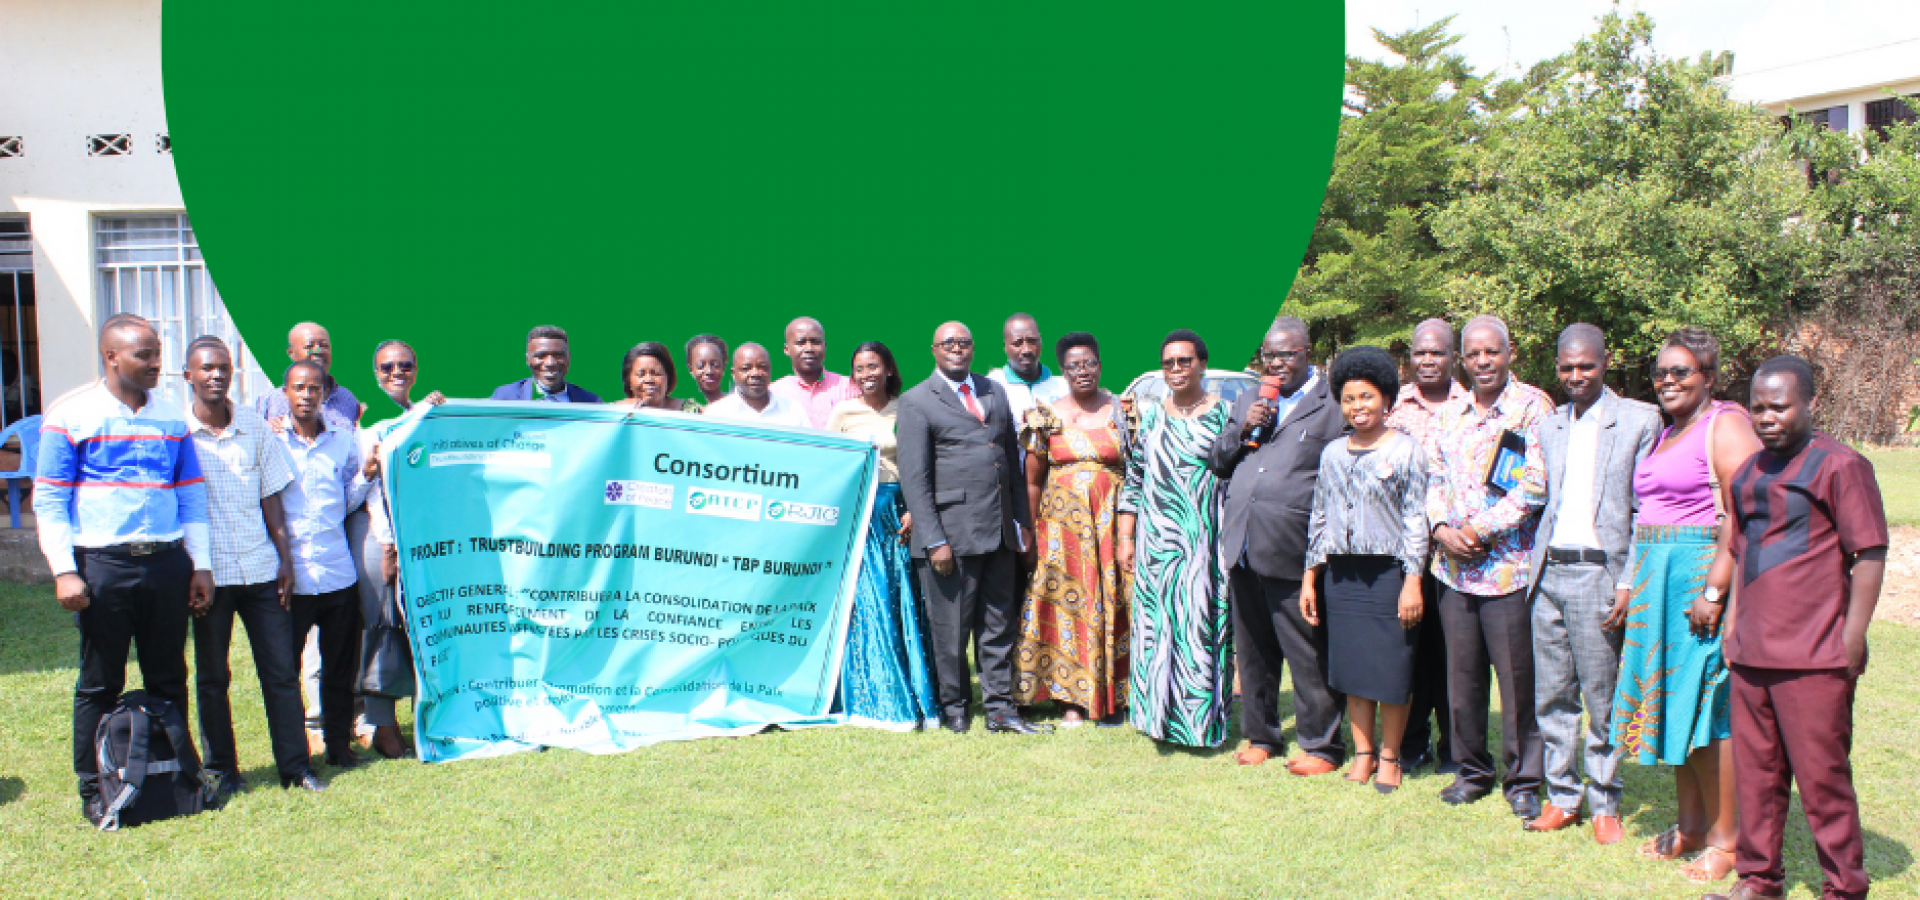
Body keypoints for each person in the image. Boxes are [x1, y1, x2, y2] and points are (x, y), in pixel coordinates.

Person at [1705, 356, 1887, 900]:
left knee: (1822, 782)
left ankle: (1844, 888)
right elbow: (1738, 551)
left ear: (1811, 404)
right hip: (1753, 654)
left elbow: (1870, 554)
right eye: (1758, 407)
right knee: (1758, 781)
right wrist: (1734, 627)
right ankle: (1759, 882)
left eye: (1779, 407)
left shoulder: (1841, 466)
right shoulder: (1747, 472)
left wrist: (1851, 639)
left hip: (1815, 656)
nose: (1767, 417)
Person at [34, 314, 215, 824]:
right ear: (111, 356)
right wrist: (64, 570)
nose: (157, 363)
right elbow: (49, 499)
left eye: (158, 353)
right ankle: (95, 786)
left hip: (165, 564)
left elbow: (191, 496)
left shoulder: (172, 418)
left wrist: (199, 566)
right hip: (102, 566)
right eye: (145, 354)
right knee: (100, 681)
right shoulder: (71, 414)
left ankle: (179, 775)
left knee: (169, 675)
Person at [1614, 327, 1761, 883]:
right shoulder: (1668, 431)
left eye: (1681, 372)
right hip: (1657, 580)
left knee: (1708, 713)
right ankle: (1693, 827)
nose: (1667, 380)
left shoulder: (1724, 425)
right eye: (1661, 372)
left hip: (1699, 579)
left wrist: (1715, 589)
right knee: (1674, 708)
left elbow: (1743, 514)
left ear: (1708, 376)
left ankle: (1728, 842)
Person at [1522, 324, 1661, 843]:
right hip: (1549, 574)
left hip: (1600, 574)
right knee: (1552, 697)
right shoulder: (1551, 425)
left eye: (1586, 366)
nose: (1575, 376)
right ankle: (1563, 798)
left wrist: (1629, 582)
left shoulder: (1638, 421)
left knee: (1602, 697)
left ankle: (1605, 803)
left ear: (1605, 363)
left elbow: (1647, 511)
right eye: (1566, 367)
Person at [182, 336, 325, 796]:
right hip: (209, 575)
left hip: (262, 569)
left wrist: (285, 560)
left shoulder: (254, 426)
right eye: (205, 368)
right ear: (189, 376)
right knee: (213, 677)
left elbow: (272, 497)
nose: (215, 375)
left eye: (223, 367)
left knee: (281, 672)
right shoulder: (177, 432)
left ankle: (295, 767)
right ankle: (222, 770)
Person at [1423, 315, 1552, 820]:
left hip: (1509, 571)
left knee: (1517, 681)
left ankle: (1523, 780)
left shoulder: (1531, 408)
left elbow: (1534, 486)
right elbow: (1433, 478)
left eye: (1491, 352)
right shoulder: (1450, 413)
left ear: (1509, 352)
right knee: (1464, 678)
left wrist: (1477, 531)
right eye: (1473, 354)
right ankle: (1471, 770)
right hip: (1452, 570)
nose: (1482, 362)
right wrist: (1441, 530)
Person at [1208, 317, 1347, 771]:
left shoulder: (1332, 403)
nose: (1277, 363)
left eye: (1287, 354)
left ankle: (1321, 745)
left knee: (1305, 650)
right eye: (1270, 355)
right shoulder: (1251, 398)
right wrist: (1243, 425)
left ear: (1308, 352)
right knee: (1252, 650)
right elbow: (1220, 462)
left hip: (1295, 546)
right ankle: (1261, 735)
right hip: (1244, 541)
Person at [895, 321, 1041, 735]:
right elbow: (915, 477)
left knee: (998, 626)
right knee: (951, 631)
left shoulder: (993, 390)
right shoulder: (917, 401)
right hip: (950, 538)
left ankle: (1000, 709)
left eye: (964, 343)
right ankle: (954, 706)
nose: (957, 349)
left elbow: (1010, 461)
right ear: (934, 349)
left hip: (998, 532)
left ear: (974, 349)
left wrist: (1022, 525)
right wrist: (933, 539)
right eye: (949, 343)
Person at [1299, 346, 1428, 794]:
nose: (1358, 407)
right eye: (1350, 398)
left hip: (1389, 576)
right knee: (1354, 672)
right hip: (1342, 577)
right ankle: (1363, 754)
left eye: (1367, 397)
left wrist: (1413, 581)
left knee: (1391, 672)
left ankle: (1390, 756)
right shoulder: (1333, 453)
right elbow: (1319, 516)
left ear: (1387, 399)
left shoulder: (1407, 450)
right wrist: (1310, 577)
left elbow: (1416, 520)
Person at [1118, 329, 1235, 747]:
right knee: (1157, 629)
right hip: (1156, 543)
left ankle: (1199, 724)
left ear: (1202, 364)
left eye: (1185, 361)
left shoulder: (1226, 415)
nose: (1176, 369)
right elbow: (1134, 477)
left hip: (1204, 542)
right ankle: (1157, 721)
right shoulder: (1151, 415)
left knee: (1198, 626)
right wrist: (1126, 537)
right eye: (1169, 363)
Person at [1012, 331, 1131, 727]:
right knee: (1067, 608)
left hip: (1111, 527)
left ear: (1100, 365)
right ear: (1063, 372)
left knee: (1117, 603)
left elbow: (1137, 470)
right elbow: (1032, 480)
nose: (1083, 371)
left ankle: (1117, 694)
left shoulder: (1123, 410)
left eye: (1090, 363)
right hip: (1061, 534)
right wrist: (1028, 535)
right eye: (1074, 366)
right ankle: (1071, 700)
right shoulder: (1046, 413)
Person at [825, 341, 939, 730]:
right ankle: (875, 695)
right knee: (870, 599)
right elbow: (830, 464)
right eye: (859, 369)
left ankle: (916, 693)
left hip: (902, 510)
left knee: (905, 595)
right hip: (861, 511)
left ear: (889, 369)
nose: (866, 374)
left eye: (874, 367)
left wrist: (916, 510)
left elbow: (923, 463)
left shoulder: (908, 407)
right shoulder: (843, 412)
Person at [273, 359, 373, 772]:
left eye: (314, 389)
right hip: (291, 577)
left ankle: (339, 746)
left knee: (338, 668)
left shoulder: (342, 439)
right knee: (285, 672)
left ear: (323, 395)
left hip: (337, 573)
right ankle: (296, 752)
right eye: (299, 388)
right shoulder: (271, 441)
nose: (307, 395)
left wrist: (366, 476)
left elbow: (347, 500)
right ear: (286, 393)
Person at [348, 340, 444, 760]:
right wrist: (388, 545)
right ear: (375, 372)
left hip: (416, 540)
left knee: (414, 628)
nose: (396, 372)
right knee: (382, 625)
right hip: (380, 538)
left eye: (405, 365)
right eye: (388, 367)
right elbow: (371, 491)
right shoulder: (366, 426)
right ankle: (382, 726)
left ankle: (414, 717)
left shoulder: (415, 416)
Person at [1386, 318, 1468, 775]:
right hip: (1406, 553)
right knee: (1411, 653)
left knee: (1455, 656)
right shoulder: (1395, 407)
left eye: (1437, 353)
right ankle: (1411, 742)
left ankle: (1456, 747)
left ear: (1452, 356)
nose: (1428, 361)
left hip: (1462, 555)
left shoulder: (1471, 403)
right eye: (1420, 353)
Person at [257, 321, 363, 425]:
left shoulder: (347, 398)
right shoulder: (271, 400)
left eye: (324, 345)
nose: (318, 351)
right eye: (309, 346)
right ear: (291, 353)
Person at [770, 317, 859, 428]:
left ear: (824, 346)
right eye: (801, 342)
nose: (809, 348)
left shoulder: (849, 388)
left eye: (815, 342)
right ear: (787, 349)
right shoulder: (773, 392)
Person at [986, 313, 1070, 426]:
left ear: (1041, 342)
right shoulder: (990, 387)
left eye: (1032, 341)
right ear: (1005, 347)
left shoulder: (1064, 387)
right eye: (1017, 343)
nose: (1026, 350)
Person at [704, 343, 810, 426]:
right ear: (733, 374)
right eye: (746, 368)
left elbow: (810, 451)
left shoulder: (794, 410)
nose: (756, 373)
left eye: (763, 367)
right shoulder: (716, 414)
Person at [491, 325, 601, 403]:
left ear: (569, 358)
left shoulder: (591, 401)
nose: (550, 363)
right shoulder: (504, 397)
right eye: (541, 356)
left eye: (558, 355)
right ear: (528, 359)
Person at [609, 342, 695, 412]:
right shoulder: (612, 413)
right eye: (641, 374)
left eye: (656, 373)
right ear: (629, 381)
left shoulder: (689, 412)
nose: (649, 380)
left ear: (668, 378)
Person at [685, 334, 730, 412]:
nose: (709, 371)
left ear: (724, 366)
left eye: (715, 365)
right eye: (700, 365)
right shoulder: (683, 409)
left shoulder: (735, 405)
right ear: (691, 369)